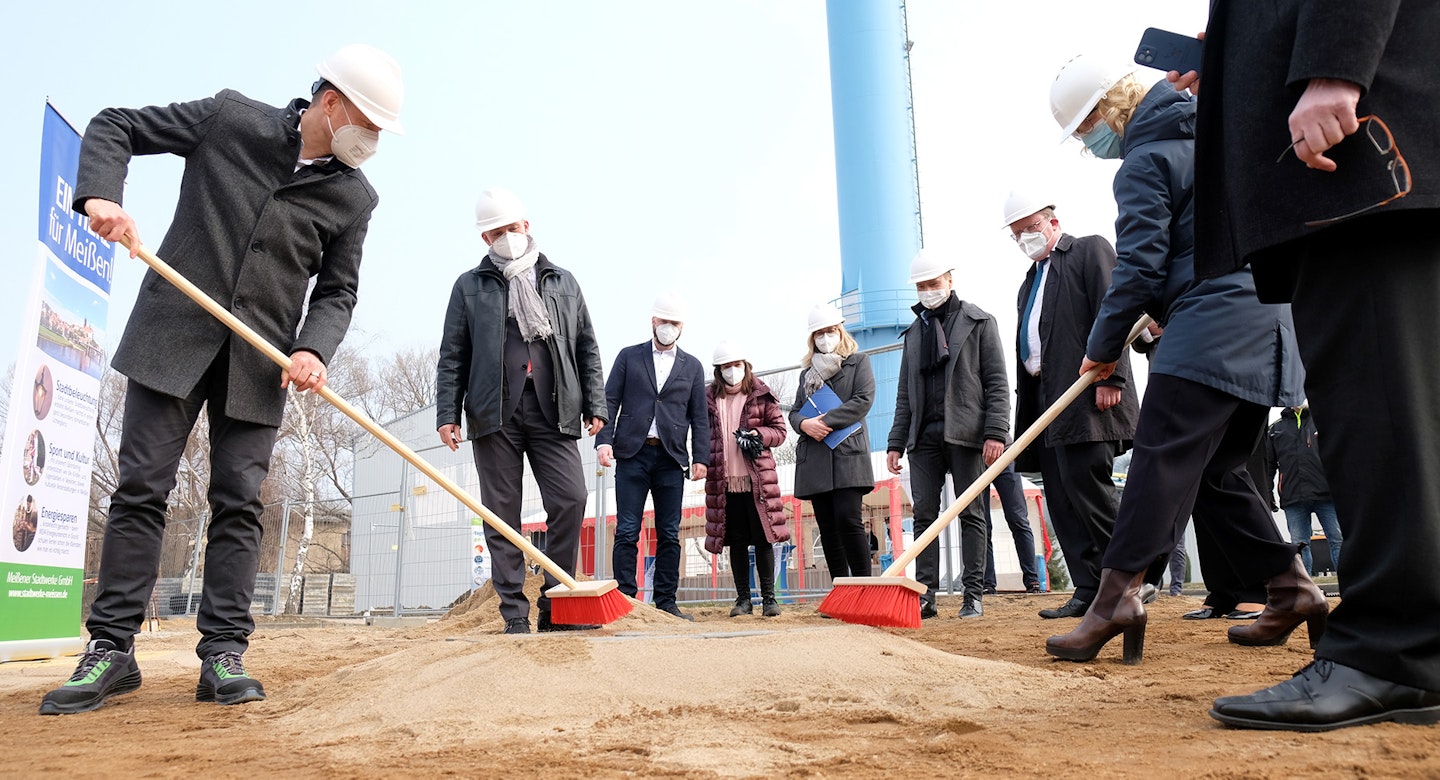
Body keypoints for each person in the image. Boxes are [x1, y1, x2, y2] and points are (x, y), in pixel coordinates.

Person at [39, 44, 405, 716]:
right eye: (370, 122)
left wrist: (314, 349)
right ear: (332, 102)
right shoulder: (231, 119)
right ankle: (112, 649)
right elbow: (117, 123)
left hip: (259, 361)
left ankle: (223, 654)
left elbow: (337, 292)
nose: (374, 139)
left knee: (239, 502)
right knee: (142, 486)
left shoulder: (354, 198)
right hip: (171, 335)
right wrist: (101, 198)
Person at [1189, 2, 1440, 731]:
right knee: (1399, 406)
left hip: (1352, 160)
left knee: (1380, 404)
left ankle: (1397, 652)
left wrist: (1336, 64)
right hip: (1352, 154)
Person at [1041, 55, 1317, 666]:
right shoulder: (1219, 135)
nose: (1092, 146)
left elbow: (1138, 268)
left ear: (1108, 113)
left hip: (1211, 327)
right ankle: (1292, 588)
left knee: (1158, 460)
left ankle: (1115, 599)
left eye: (1087, 133)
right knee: (1216, 474)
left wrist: (1101, 349)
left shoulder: (1145, 160)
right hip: (1270, 321)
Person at [436, 187, 607, 635]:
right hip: (495, 413)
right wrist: (447, 413)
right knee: (501, 512)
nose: (507, 237)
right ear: (484, 238)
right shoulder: (469, 287)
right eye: (496, 233)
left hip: (555, 409)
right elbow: (452, 354)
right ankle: (514, 612)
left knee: (571, 499)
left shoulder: (562, 282)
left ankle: (558, 601)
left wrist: (596, 403)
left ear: (527, 226)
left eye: (512, 228)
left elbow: (586, 347)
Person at [1001, 193, 1140, 618]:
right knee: (1061, 497)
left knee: (1089, 487)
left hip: (1085, 392)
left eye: (1029, 227)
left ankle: (1131, 576)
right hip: (1046, 401)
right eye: (1015, 233)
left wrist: (1111, 375)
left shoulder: (1088, 250)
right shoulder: (1030, 280)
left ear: (1051, 221)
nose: (1024, 237)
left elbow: (1113, 312)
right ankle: (1088, 588)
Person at [887, 250, 1010, 620]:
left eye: (933, 284)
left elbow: (996, 382)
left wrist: (996, 432)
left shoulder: (979, 322)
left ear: (950, 280)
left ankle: (973, 594)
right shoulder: (913, 334)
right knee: (924, 515)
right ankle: (926, 596)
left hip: (968, 434)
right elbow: (904, 393)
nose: (928, 291)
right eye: (921, 286)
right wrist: (895, 441)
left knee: (971, 513)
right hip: (922, 438)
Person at [597, 292, 710, 620]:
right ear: (653, 322)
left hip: (671, 459)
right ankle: (626, 599)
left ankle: (666, 600)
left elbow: (699, 417)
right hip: (632, 454)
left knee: (670, 531)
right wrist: (604, 441)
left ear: (681, 327)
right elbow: (609, 401)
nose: (668, 328)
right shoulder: (628, 357)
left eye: (674, 323)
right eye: (663, 322)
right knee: (628, 528)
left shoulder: (693, 367)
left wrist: (700, 456)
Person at [788, 303, 875, 582]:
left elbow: (862, 401)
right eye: (819, 334)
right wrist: (804, 424)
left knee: (849, 520)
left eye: (830, 332)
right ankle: (840, 589)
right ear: (812, 339)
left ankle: (864, 586)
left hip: (849, 455)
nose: (825, 338)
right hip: (817, 459)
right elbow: (795, 411)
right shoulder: (806, 375)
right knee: (827, 527)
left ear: (840, 331)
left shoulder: (859, 362)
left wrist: (824, 422)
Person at [702, 341, 790, 617]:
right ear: (718, 370)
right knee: (736, 542)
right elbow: (702, 435)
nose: (732, 371)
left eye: (737, 365)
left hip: (757, 481)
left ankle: (769, 599)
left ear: (746, 366)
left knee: (764, 538)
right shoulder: (708, 399)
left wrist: (760, 436)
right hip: (724, 482)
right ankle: (743, 600)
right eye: (726, 366)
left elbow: (780, 431)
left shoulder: (761, 395)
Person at [1267, 404, 1341, 575]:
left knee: (1338, 540)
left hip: (1326, 494)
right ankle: (1304, 590)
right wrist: (1267, 493)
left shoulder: (1324, 421)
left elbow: (1339, 454)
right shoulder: (1275, 429)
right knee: (1298, 545)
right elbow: (1269, 465)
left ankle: (1348, 586)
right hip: (1293, 497)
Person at [983, 462, 1042, 594]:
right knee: (981, 526)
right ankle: (987, 582)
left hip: (1005, 455)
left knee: (1019, 520)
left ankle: (1032, 580)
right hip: (975, 456)